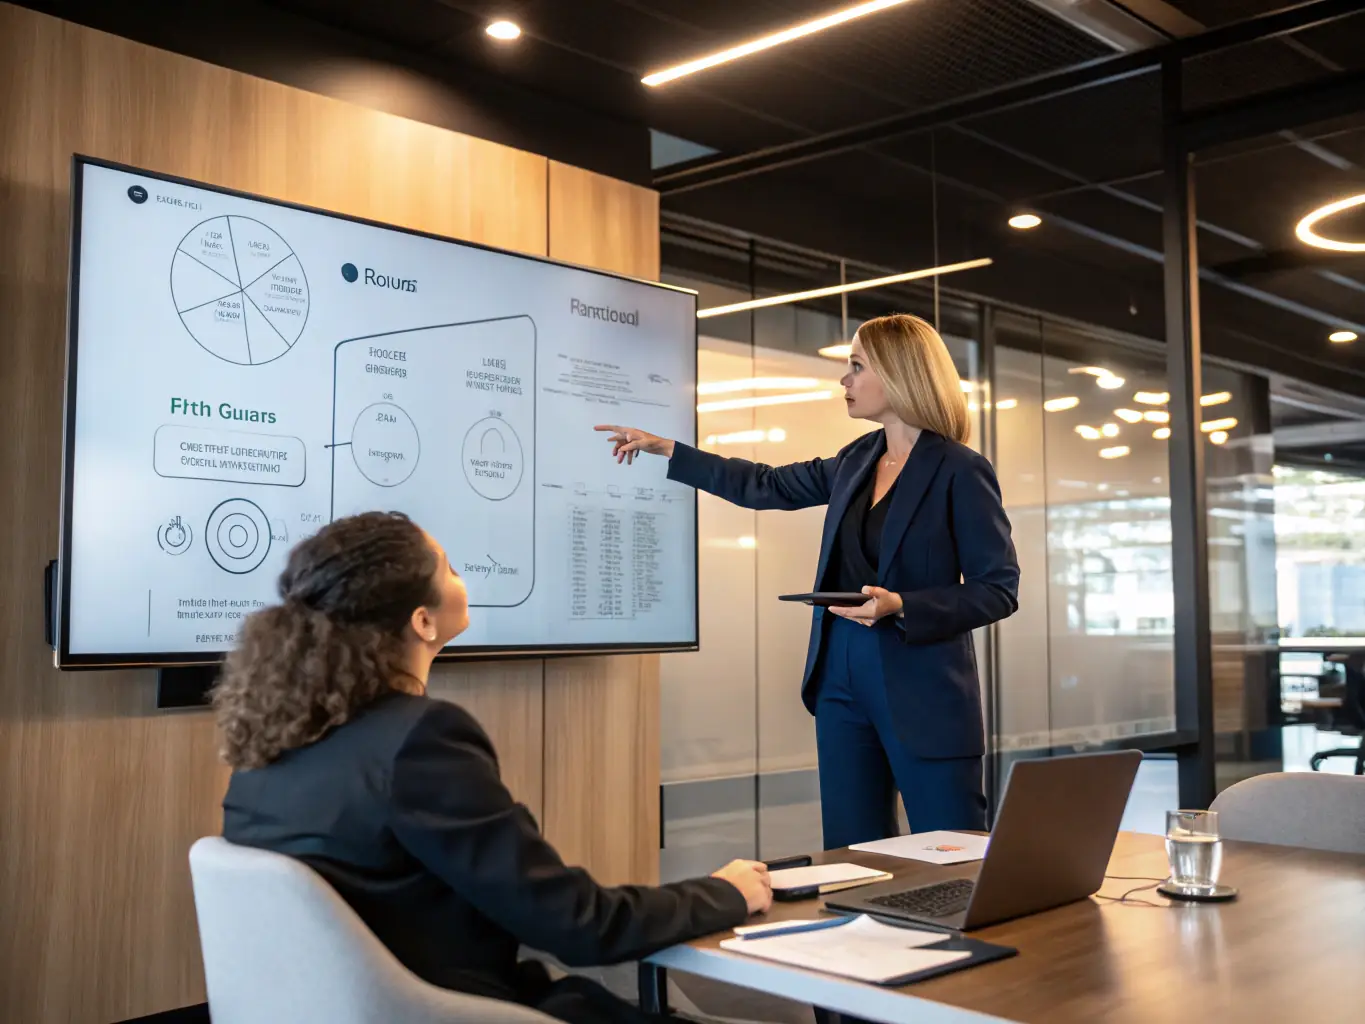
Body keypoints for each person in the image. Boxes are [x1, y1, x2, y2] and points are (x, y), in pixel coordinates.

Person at [214, 511, 771, 1024]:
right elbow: (581, 926)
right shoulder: (419, 742)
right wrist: (726, 892)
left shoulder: (268, 751)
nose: (463, 576)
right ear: (423, 620)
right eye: (451, 568)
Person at [597, 313, 1019, 850]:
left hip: (922, 686)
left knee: (952, 854)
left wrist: (902, 604)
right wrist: (671, 452)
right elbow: (764, 484)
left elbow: (998, 587)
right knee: (853, 852)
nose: (844, 380)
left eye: (857, 366)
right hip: (840, 676)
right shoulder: (856, 458)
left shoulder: (961, 469)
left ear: (898, 374)